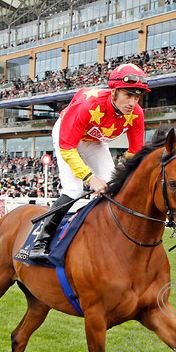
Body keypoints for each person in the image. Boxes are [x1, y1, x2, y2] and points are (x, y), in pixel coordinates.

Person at [28, 63, 149, 261]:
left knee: (113, 187)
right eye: (128, 95)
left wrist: (122, 176)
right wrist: (90, 178)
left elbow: (135, 151)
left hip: (94, 141)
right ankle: (41, 241)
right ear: (114, 92)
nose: (132, 103)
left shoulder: (136, 114)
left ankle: (105, 235)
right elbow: (67, 148)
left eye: (137, 97)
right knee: (73, 190)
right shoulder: (88, 106)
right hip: (67, 136)